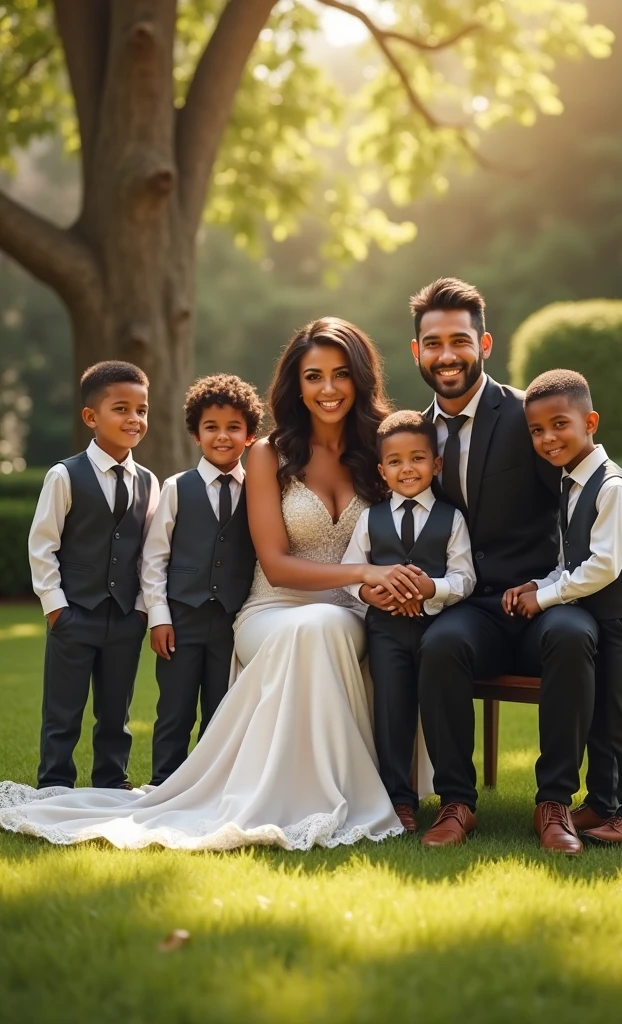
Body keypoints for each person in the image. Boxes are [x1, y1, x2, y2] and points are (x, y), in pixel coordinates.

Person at [0, 318, 419, 851]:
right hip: (270, 608)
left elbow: (409, 524)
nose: (328, 388)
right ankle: (302, 793)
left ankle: (341, 789)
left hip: (355, 610)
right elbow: (274, 563)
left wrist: (389, 582)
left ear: (361, 378)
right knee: (308, 628)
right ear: (296, 383)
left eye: (341, 374)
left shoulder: (384, 447)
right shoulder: (270, 452)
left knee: (325, 624)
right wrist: (364, 572)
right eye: (313, 376)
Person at [409, 278, 622, 854]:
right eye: (433, 342)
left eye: (459, 340)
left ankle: (554, 802)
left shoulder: (534, 416)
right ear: (417, 351)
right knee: (440, 646)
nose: (447, 354)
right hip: (471, 606)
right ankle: (456, 802)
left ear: (485, 343)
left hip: (548, 600)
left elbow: (594, 499)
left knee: (575, 638)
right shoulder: (414, 436)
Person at [503, 370, 622, 845]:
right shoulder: (571, 483)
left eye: (559, 424)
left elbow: (603, 569)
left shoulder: (612, 488)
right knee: (597, 716)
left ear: (589, 421)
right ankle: (601, 803)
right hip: (600, 620)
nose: (548, 438)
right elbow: (572, 562)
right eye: (536, 430)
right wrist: (537, 583)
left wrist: (546, 598)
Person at [27, 360, 159, 791]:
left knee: (116, 712)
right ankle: (54, 784)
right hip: (74, 613)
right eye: (121, 409)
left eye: (141, 410)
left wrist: (141, 610)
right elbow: (42, 545)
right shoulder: (65, 475)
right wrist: (56, 609)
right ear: (91, 417)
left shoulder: (149, 481)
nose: (134, 419)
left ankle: (111, 783)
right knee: (62, 711)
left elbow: (147, 552)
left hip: (124, 617)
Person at [342, 410, 475, 833]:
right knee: (391, 709)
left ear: (436, 465)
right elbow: (351, 571)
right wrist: (368, 592)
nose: (407, 469)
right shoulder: (371, 517)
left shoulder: (452, 518)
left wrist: (430, 589)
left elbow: (464, 576)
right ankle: (398, 798)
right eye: (395, 461)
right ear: (382, 471)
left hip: (436, 628)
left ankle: (450, 797)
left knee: (436, 707)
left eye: (418, 458)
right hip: (386, 631)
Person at [141, 374, 262, 785]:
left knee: (222, 708)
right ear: (196, 434)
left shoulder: (260, 492)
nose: (222, 436)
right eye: (211, 427)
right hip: (181, 620)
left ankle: (211, 786)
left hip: (232, 620)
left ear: (250, 436)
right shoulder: (176, 488)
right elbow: (154, 557)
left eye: (233, 427)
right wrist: (158, 616)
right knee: (174, 709)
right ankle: (164, 783)